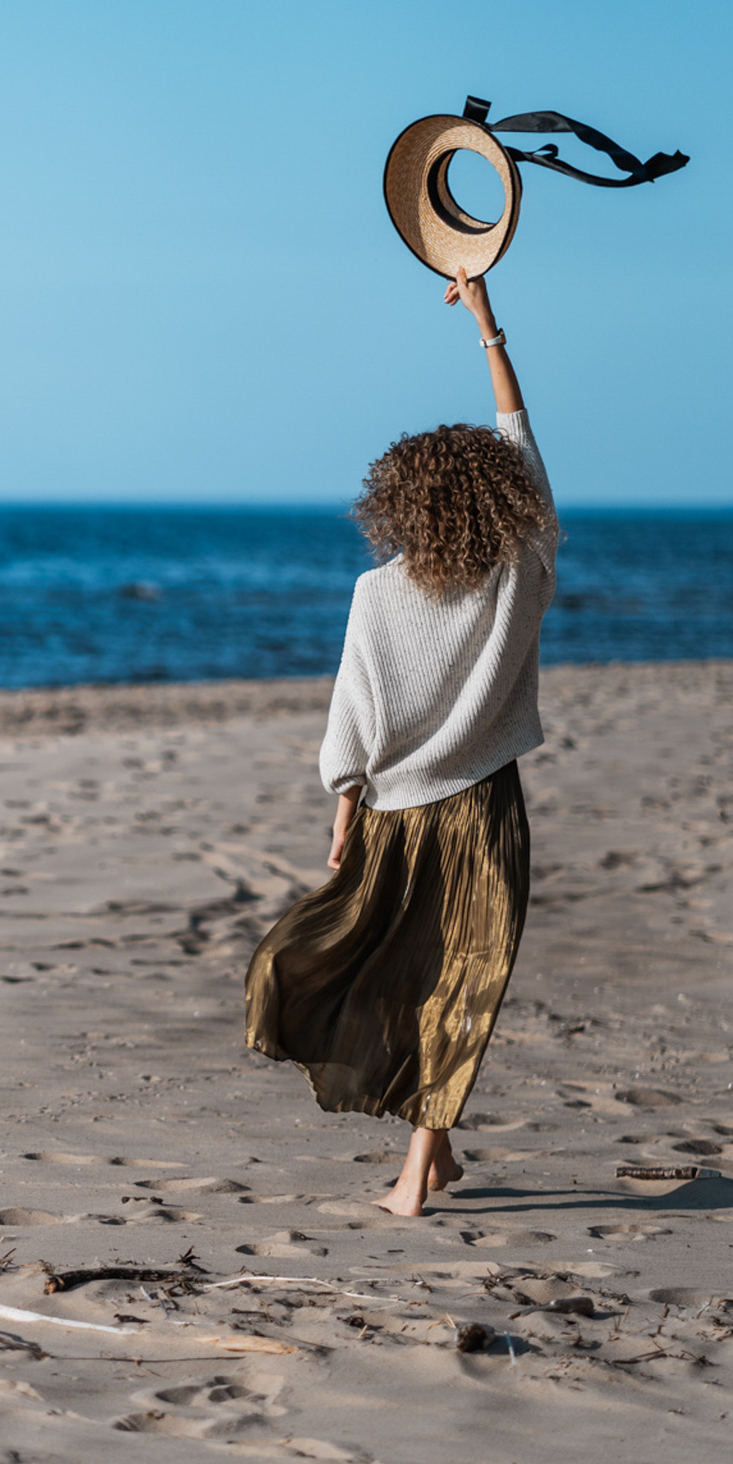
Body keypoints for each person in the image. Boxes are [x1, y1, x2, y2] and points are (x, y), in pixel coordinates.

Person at [243, 266, 558, 1218]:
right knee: (458, 976)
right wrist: (488, 324)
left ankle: (418, 1166)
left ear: (402, 503)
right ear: (498, 499)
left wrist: (343, 814)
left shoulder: (376, 593)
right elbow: (522, 440)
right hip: (485, 805)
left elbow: (356, 716)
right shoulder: (524, 559)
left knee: (406, 971)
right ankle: (434, 1155)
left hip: (391, 813)